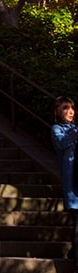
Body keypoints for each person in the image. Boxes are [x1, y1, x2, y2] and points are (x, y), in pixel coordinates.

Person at [51, 96, 78, 263]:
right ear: (58, 111)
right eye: (65, 108)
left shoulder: (75, 129)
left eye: (72, 108)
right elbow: (62, 143)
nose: (70, 112)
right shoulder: (56, 129)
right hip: (72, 180)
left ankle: (74, 254)